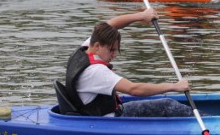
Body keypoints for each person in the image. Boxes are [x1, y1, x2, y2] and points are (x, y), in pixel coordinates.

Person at [64, 8, 194, 117]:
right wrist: (174, 86)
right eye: (111, 50)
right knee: (167, 105)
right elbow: (134, 89)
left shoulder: (84, 49)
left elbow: (112, 24)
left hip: (96, 111)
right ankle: (208, 123)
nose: (114, 55)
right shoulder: (96, 71)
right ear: (97, 46)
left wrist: (141, 16)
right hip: (109, 121)